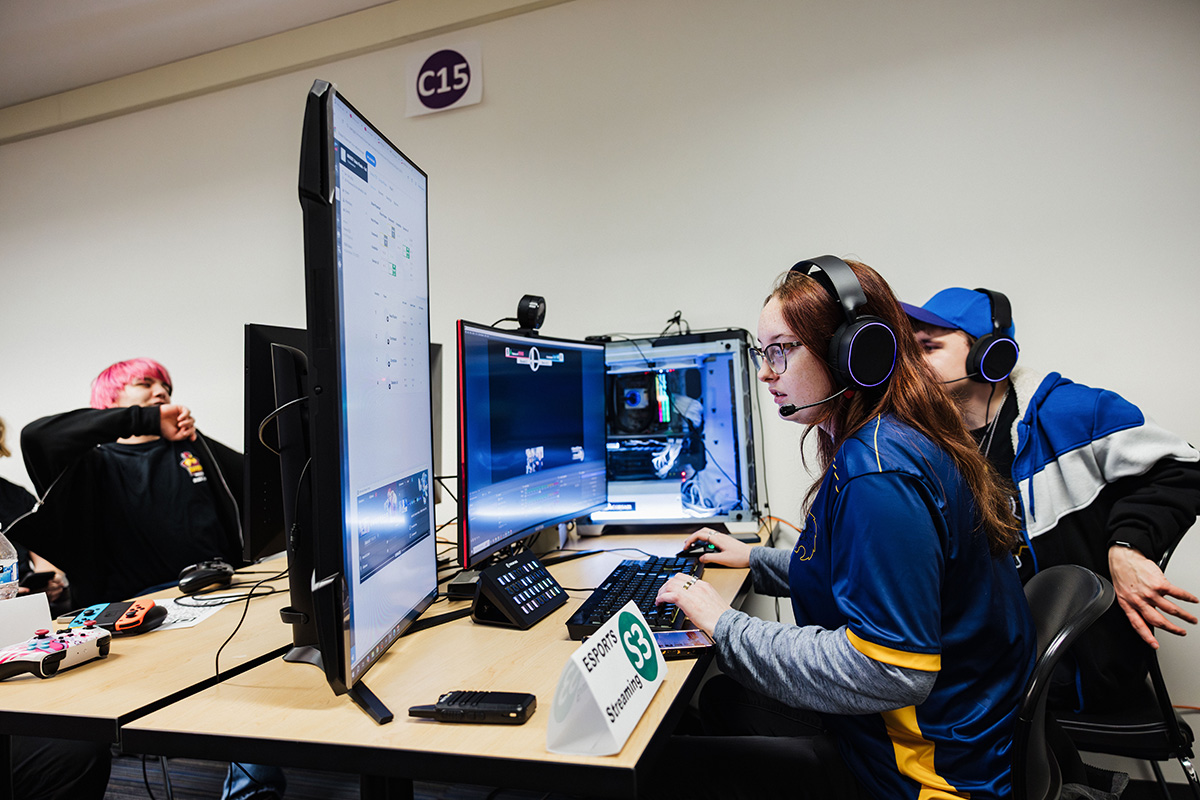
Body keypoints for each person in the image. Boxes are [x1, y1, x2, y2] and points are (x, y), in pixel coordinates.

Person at [654, 257, 1035, 799]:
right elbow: (875, 570)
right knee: (719, 699)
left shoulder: (877, 474)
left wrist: (725, 624)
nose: (766, 372)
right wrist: (756, 560)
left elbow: (891, 668)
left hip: (926, 773)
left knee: (660, 762)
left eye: (781, 350)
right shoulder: (899, 434)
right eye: (764, 353)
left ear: (853, 352)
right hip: (951, 728)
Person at [904, 287, 1200, 713]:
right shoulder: (933, 443)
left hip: (1065, 662)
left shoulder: (1069, 413)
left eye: (929, 348)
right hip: (983, 646)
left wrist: (1129, 545)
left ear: (990, 356)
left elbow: (1184, 466)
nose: (912, 364)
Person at [12, 358, 244, 609]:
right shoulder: (89, 465)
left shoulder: (197, 449)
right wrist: (144, 419)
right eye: (145, 383)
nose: (161, 392)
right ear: (110, 401)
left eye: (166, 387)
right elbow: (36, 436)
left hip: (220, 589)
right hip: (132, 609)